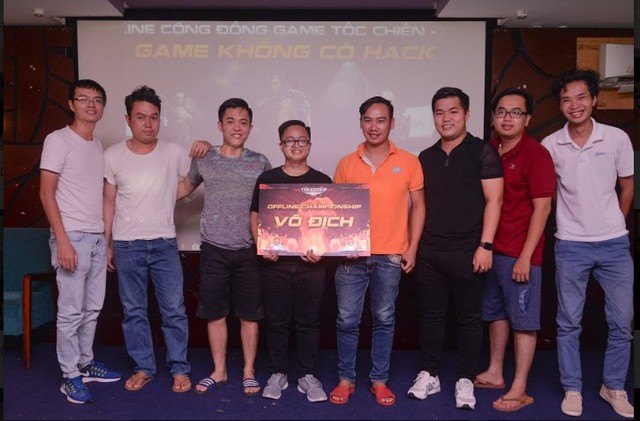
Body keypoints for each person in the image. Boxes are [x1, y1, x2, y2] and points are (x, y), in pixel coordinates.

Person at [103, 85, 210, 394]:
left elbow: (190, 180)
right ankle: (144, 368)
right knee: (133, 311)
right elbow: (109, 201)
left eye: (154, 117)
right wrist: (107, 243)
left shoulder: (173, 152)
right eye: (141, 117)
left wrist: (205, 146)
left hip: (164, 243)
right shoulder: (113, 155)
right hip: (127, 244)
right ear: (128, 119)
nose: (148, 124)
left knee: (173, 310)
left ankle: (179, 368)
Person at [541, 69, 634, 419]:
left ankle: (614, 386)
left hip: (614, 244)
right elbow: (549, 195)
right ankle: (572, 388)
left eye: (581, 97)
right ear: (559, 105)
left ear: (594, 99)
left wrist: (614, 223)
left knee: (622, 322)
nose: (574, 105)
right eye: (566, 99)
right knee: (568, 322)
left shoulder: (616, 138)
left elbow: (627, 186)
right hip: (570, 244)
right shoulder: (551, 145)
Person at [408, 87, 504, 410]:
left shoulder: (483, 151)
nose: (445, 118)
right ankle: (430, 373)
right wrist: (414, 247)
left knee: (468, 318)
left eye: (453, 111)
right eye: (439, 112)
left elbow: (495, 201)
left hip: (469, 249)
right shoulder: (425, 157)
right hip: (431, 251)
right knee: (430, 316)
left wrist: (485, 245)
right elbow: (419, 206)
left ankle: (465, 378)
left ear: (466, 114)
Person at [329, 96, 426, 406]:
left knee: (384, 319)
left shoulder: (409, 161)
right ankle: (346, 379)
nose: (374, 126)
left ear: (392, 123)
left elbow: (419, 206)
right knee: (347, 320)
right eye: (368, 120)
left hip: (391, 255)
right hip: (351, 257)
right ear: (360, 123)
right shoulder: (346, 163)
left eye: (381, 120)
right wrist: (341, 245)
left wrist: (412, 247)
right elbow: (335, 210)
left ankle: (379, 380)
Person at [178, 98, 272, 396]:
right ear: (220, 125)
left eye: (243, 122)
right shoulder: (205, 157)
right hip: (214, 248)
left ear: (250, 127)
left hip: (249, 249)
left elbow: (273, 206)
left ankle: (248, 371)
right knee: (215, 312)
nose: (237, 127)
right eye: (230, 121)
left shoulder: (261, 162)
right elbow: (183, 188)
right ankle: (219, 371)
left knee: (249, 314)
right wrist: (143, 195)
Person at [39, 79, 122, 404]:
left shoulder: (96, 144)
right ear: (71, 104)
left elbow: (99, 195)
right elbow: (46, 193)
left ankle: (85, 363)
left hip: (96, 237)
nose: (91, 104)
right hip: (71, 236)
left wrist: (106, 240)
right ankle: (69, 375)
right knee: (71, 312)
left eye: (97, 99)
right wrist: (62, 240)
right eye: (83, 98)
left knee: (92, 308)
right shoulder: (58, 140)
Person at [473, 87, 556, 412]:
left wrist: (526, 257)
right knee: (495, 313)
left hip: (521, 254)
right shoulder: (489, 149)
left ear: (528, 118)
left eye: (516, 112)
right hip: (493, 249)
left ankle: (519, 387)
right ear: (493, 117)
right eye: (502, 112)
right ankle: (495, 372)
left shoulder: (536, 154)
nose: (507, 118)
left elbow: (543, 209)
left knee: (524, 320)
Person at [249, 120, 332, 403]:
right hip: (275, 264)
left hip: (312, 265)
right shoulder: (268, 179)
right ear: (281, 145)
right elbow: (255, 216)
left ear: (310, 144)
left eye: (302, 140)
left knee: (309, 322)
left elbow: (331, 224)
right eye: (290, 140)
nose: (296, 145)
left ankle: (308, 375)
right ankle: (278, 373)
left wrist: (322, 250)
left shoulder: (323, 181)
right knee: (277, 321)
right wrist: (263, 245)